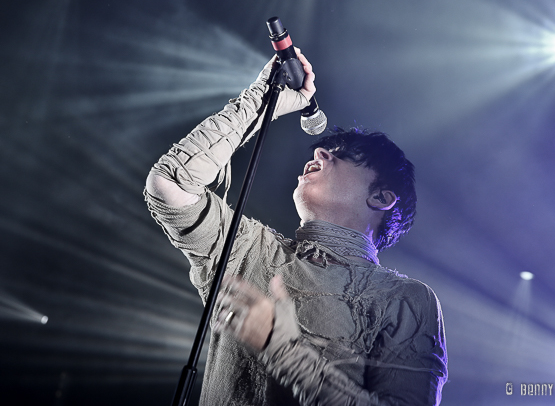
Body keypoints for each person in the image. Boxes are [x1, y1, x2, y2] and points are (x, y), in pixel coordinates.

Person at [144, 50, 448, 405]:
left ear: (381, 198)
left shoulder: (406, 301)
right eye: (323, 150)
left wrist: (282, 349)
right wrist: (262, 100)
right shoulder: (250, 248)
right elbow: (171, 184)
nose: (319, 154)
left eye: (344, 156)